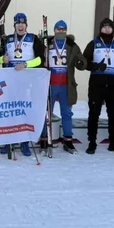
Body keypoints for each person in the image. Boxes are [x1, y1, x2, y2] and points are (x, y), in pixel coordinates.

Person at [0, 13, 44, 157]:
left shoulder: (34, 39)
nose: (20, 26)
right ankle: (9, 141)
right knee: (10, 111)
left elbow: (40, 59)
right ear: (14, 25)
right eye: (18, 23)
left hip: (27, 80)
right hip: (11, 80)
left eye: (23, 23)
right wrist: (2, 59)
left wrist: (25, 64)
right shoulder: (7, 39)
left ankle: (24, 142)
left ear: (26, 25)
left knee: (25, 111)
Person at [83, 17, 114, 155]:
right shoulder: (93, 44)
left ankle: (113, 143)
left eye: (109, 27)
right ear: (100, 29)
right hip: (96, 85)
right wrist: (96, 66)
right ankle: (92, 142)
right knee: (94, 114)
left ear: (113, 29)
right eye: (104, 27)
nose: (107, 29)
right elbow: (84, 63)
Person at [42, 20, 87, 153]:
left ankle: (68, 140)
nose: (61, 31)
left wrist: (81, 63)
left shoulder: (72, 45)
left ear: (66, 31)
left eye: (63, 29)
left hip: (66, 86)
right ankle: (44, 139)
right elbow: (39, 57)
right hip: (50, 84)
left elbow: (81, 61)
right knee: (46, 113)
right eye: (58, 29)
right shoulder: (48, 43)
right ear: (54, 30)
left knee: (66, 113)